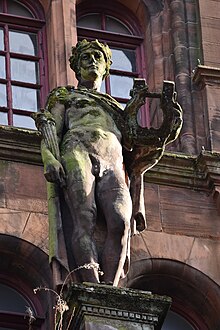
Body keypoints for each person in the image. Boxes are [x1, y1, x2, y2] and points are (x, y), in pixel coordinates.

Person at [34, 39, 182, 287]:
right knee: (84, 217)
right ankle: (90, 284)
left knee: (121, 221)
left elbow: (141, 142)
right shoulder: (65, 95)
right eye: (85, 58)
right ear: (76, 66)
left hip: (114, 159)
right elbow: (51, 128)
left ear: (105, 67)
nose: (92, 61)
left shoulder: (116, 109)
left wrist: (171, 123)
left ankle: (110, 288)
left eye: (97, 57)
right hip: (77, 150)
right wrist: (50, 158)